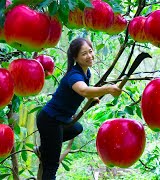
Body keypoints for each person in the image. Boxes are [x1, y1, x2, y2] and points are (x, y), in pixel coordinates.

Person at [36, 37, 122, 179]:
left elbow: (84, 91)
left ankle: (46, 148)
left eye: (90, 51)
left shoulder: (86, 73)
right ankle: (48, 148)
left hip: (60, 120)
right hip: (50, 120)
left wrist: (91, 98)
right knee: (51, 165)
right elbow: (83, 90)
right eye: (84, 54)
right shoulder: (74, 75)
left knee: (77, 128)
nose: (89, 56)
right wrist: (107, 89)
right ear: (75, 57)